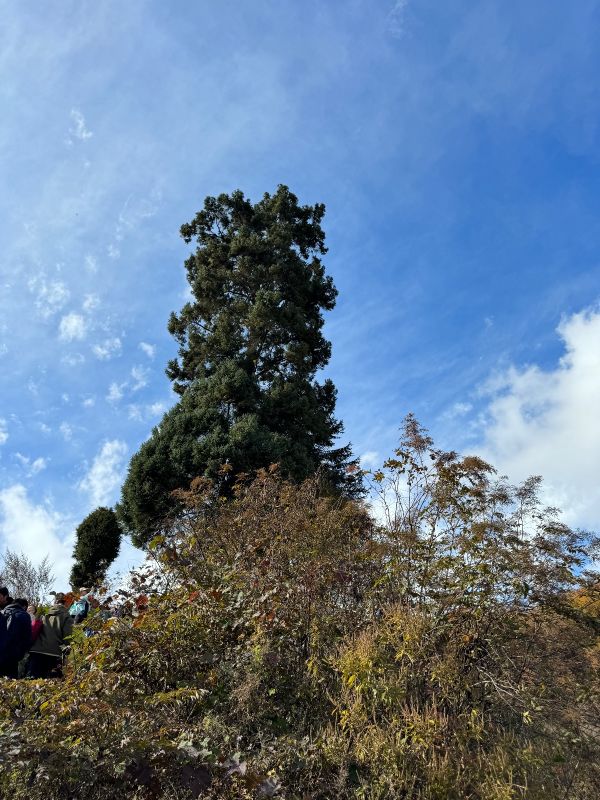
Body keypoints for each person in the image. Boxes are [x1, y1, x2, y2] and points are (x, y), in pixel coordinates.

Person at [28, 592, 74, 679]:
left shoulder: (45, 615)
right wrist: (66, 652)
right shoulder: (67, 617)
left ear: (55, 602)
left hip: (36, 651)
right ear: (67, 603)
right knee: (52, 682)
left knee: (33, 680)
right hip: (54, 653)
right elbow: (67, 636)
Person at [0, 597, 32, 678]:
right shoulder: (24, 615)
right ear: (24, 606)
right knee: (10, 680)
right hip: (13, 654)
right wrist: (21, 653)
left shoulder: (2, 612)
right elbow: (27, 638)